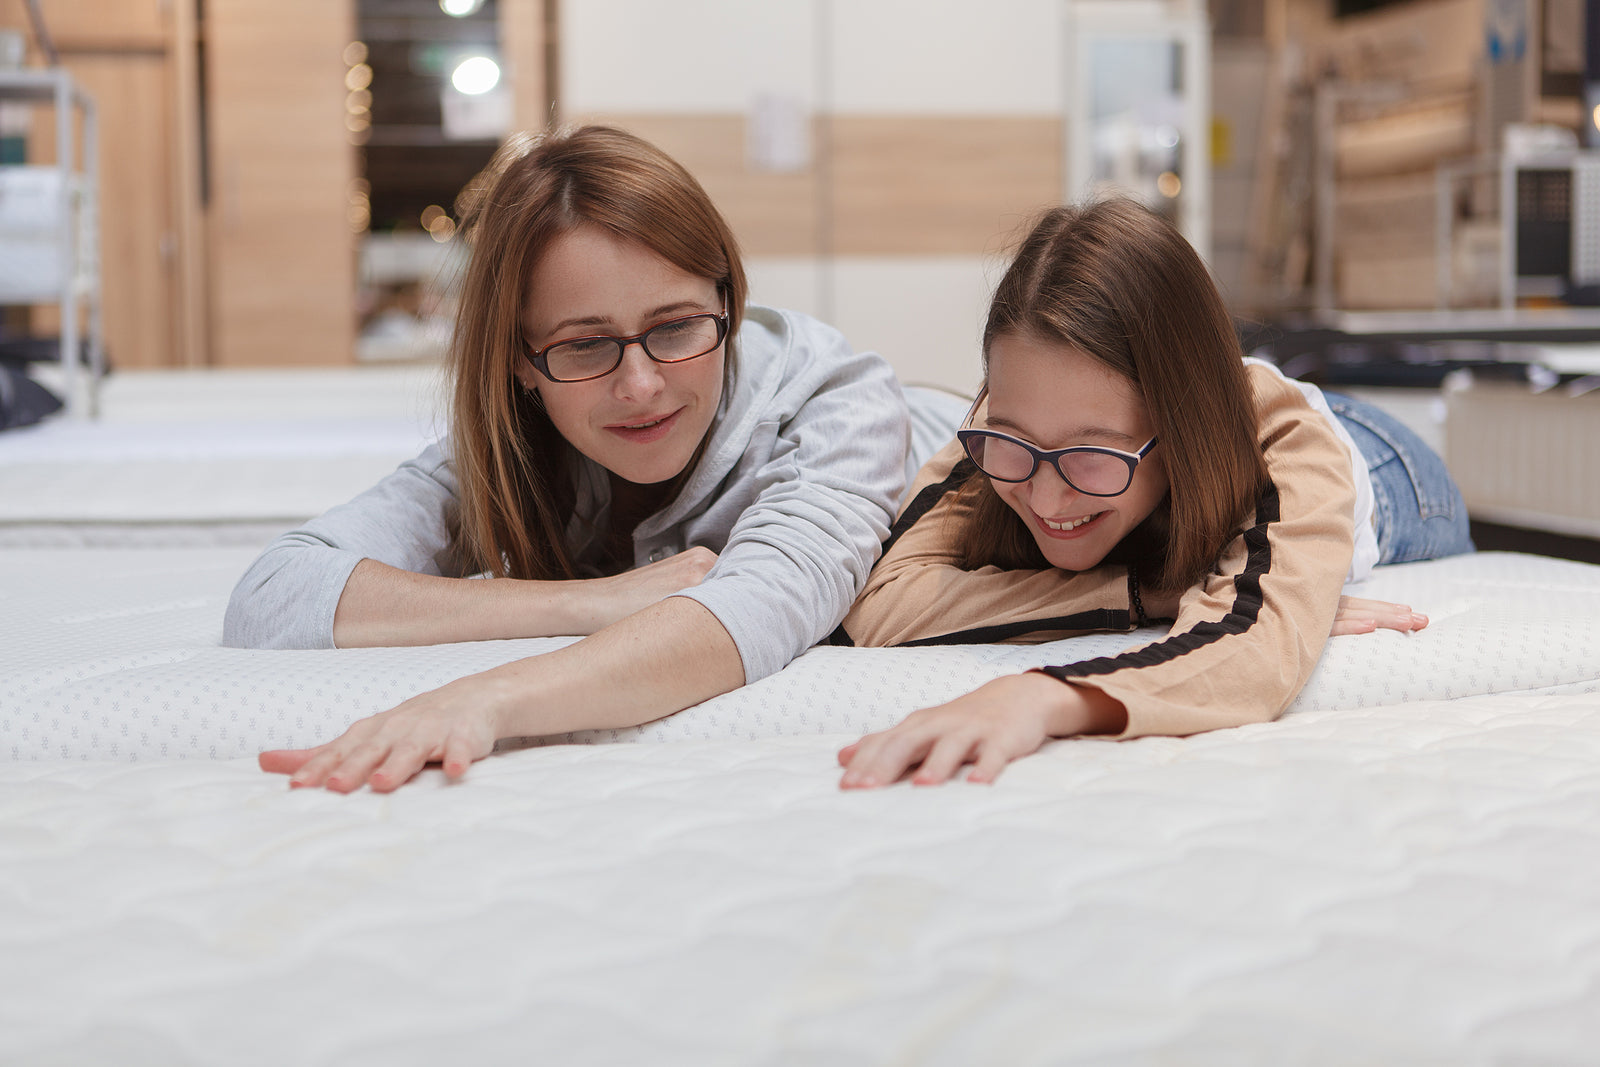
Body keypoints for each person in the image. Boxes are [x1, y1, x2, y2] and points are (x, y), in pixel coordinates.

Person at [226, 124, 927, 793]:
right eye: (585, 346)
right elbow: (276, 594)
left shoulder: (844, 400)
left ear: (728, 304)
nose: (642, 386)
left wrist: (486, 699)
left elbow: (757, 608)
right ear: (520, 360)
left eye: (677, 327)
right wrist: (588, 601)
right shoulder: (523, 441)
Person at [833, 198, 1474, 789]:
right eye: (1016, 439)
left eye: (1091, 455)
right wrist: (1155, 592)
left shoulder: (1280, 442)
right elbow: (882, 605)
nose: (1049, 500)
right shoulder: (1003, 439)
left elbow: (1255, 651)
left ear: (1179, 428)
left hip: (1387, 469)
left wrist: (1042, 696)